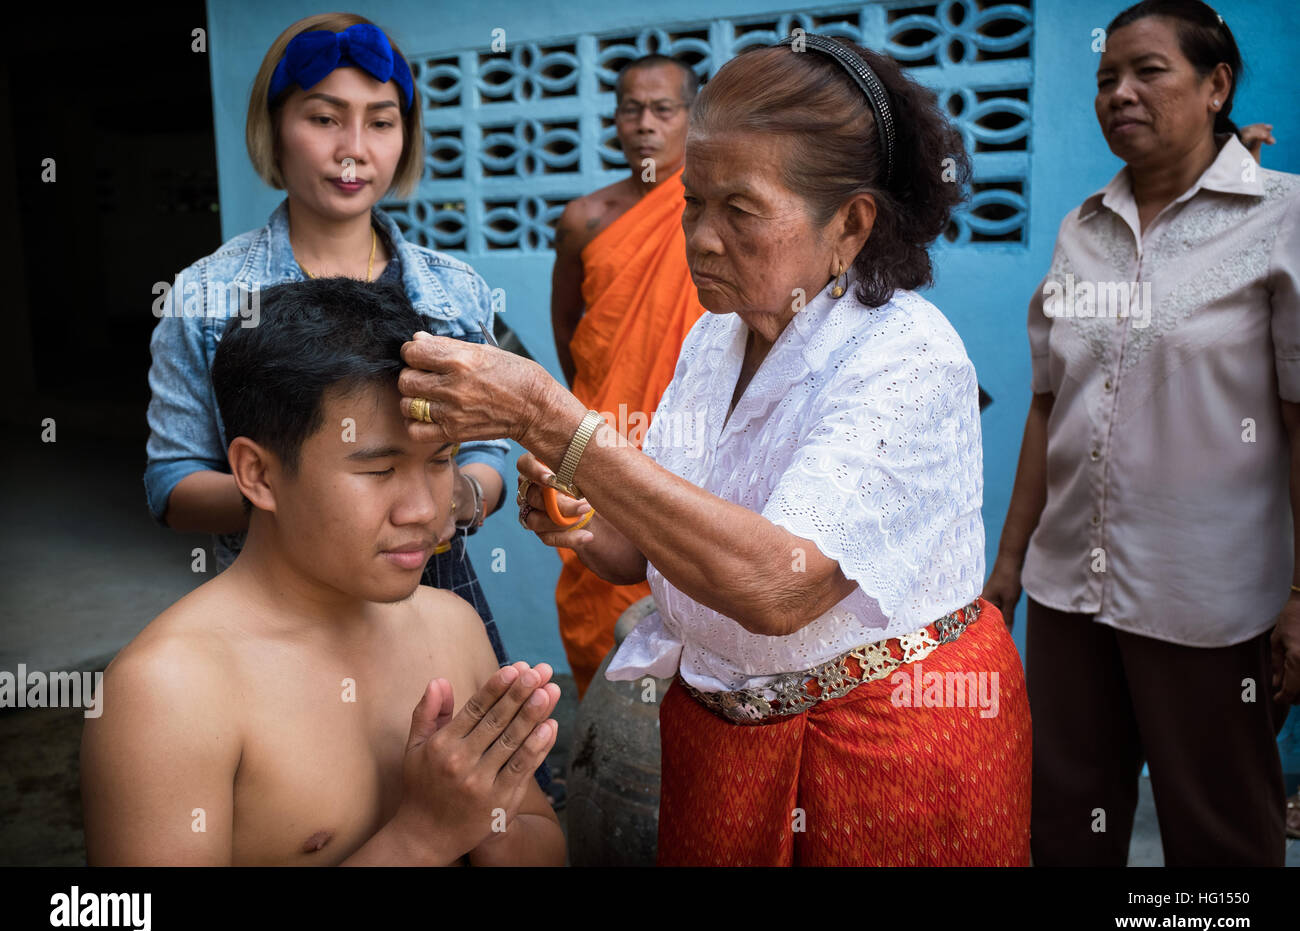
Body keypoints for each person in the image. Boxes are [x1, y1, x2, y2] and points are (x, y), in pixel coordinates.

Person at [396, 34, 1032, 866]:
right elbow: (645, 552)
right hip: (722, 739)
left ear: (851, 223)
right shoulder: (716, 340)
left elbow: (778, 587)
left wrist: (557, 425)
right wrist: (584, 509)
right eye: (693, 203)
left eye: (741, 210)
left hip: (884, 752)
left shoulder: (907, 356)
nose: (700, 237)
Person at [83, 279, 565, 865]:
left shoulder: (450, 625)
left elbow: (541, 842)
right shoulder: (168, 692)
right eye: (379, 470)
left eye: (440, 461)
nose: (423, 510)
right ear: (257, 474)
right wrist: (422, 838)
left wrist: (485, 820)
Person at [982, 0, 1299, 866]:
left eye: (1148, 71)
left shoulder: (1281, 218)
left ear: (1217, 85)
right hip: (1065, 596)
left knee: (1220, 832)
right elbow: (1049, 404)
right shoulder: (1081, 228)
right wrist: (1008, 569)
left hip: (1209, 599)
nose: (1119, 92)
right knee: (1063, 818)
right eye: (1105, 77)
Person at [143, 13, 518, 682]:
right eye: (324, 119)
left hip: (436, 591)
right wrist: (317, 504)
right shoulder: (208, 297)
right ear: (274, 131)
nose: (354, 149)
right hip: (280, 616)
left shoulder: (455, 291)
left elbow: (490, 448)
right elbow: (172, 485)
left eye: (380, 121)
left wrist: (454, 498)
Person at [549, 54, 706, 694]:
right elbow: (570, 333)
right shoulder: (585, 219)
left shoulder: (709, 213)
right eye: (630, 109)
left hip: (690, 447)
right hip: (602, 440)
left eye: (663, 109)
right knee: (596, 591)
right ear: (614, 120)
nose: (645, 124)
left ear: (691, 120)